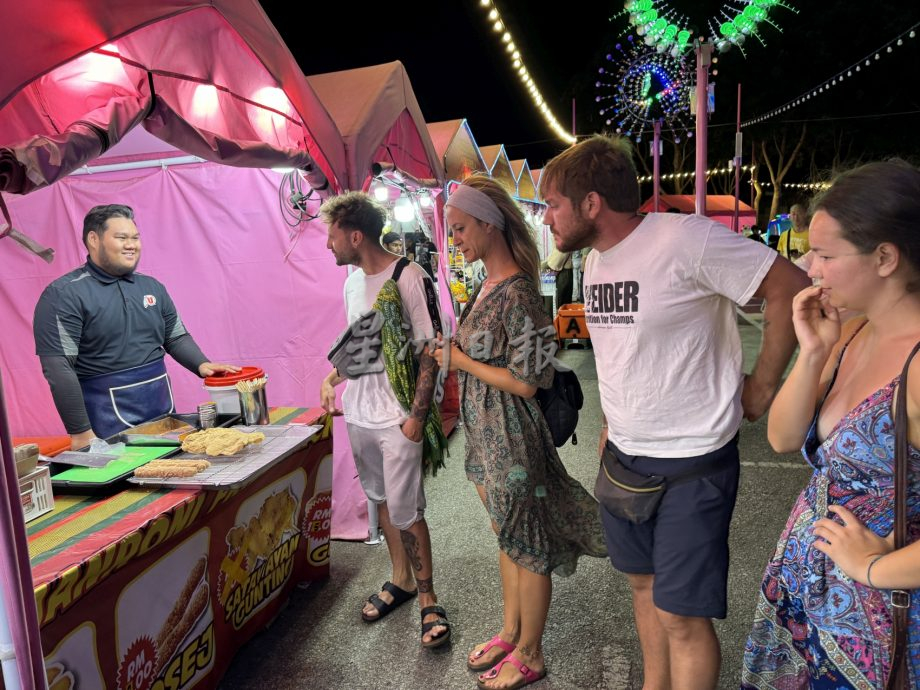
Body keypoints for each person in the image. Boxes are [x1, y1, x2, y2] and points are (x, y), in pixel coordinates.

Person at [540, 135, 808, 690]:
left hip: (694, 460)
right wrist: (612, 424)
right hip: (624, 458)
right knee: (643, 589)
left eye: (553, 205)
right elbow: (623, 353)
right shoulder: (595, 261)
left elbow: (789, 286)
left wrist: (762, 387)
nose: (546, 218)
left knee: (682, 617)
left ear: (591, 203)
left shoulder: (685, 239)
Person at [741, 160, 920, 689]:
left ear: (885, 257)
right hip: (807, 594)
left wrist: (871, 570)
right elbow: (781, 438)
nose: (809, 267)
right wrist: (813, 352)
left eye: (825, 254)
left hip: (878, 621)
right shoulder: (850, 332)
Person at [431, 175, 606, 689]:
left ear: (490, 224)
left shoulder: (522, 292)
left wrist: (460, 360)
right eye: (451, 230)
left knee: (528, 544)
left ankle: (531, 652)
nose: (455, 239)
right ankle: (511, 632)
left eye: (460, 228)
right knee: (507, 536)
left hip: (511, 437)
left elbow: (529, 382)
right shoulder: (487, 285)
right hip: (484, 436)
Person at [318, 191, 450, 648]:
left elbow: (432, 347)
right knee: (381, 502)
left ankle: (429, 598)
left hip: (398, 415)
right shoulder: (352, 284)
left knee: (407, 509)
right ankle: (402, 579)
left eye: (332, 236)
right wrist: (333, 378)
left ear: (356, 236)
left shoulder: (409, 276)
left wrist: (417, 416)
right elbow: (362, 346)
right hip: (360, 411)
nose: (328, 245)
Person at [33, 204, 239, 449]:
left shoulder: (152, 287)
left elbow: (174, 337)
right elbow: (58, 368)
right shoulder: (63, 294)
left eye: (135, 238)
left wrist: (201, 364)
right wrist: (81, 433)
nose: (131, 245)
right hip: (104, 420)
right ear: (93, 239)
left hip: (162, 411)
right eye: (122, 238)